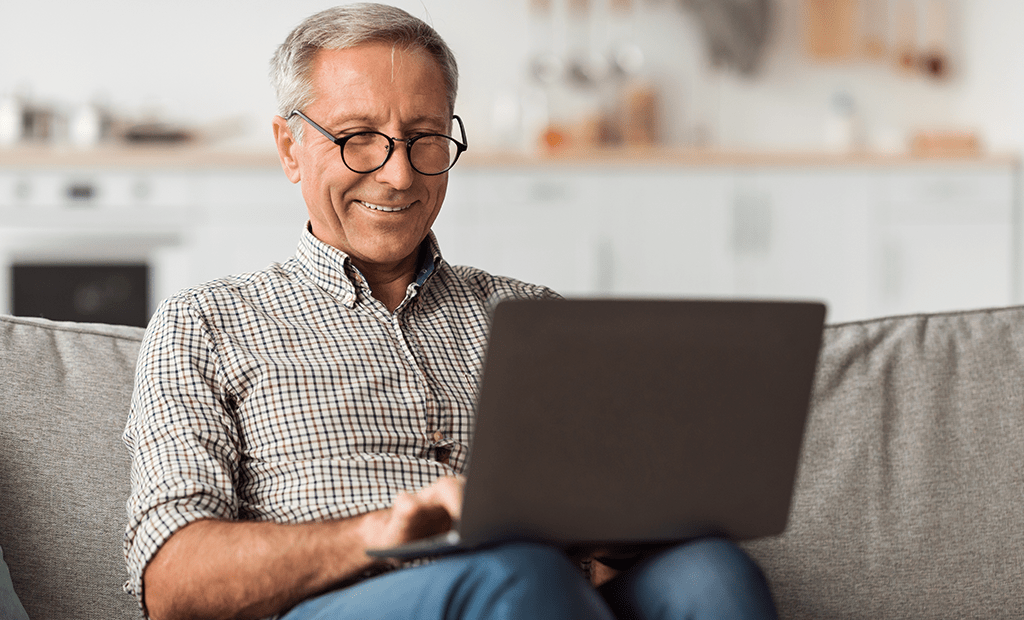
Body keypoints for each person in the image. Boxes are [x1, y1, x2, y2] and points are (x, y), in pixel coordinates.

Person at [122, 4, 779, 620]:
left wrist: (628, 525)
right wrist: (379, 532)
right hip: (357, 598)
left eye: (424, 138)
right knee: (519, 575)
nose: (399, 175)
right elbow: (172, 581)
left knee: (710, 572)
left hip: (543, 589)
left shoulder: (530, 315)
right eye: (358, 139)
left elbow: (598, 544)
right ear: (291, 148)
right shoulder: (204, 323)